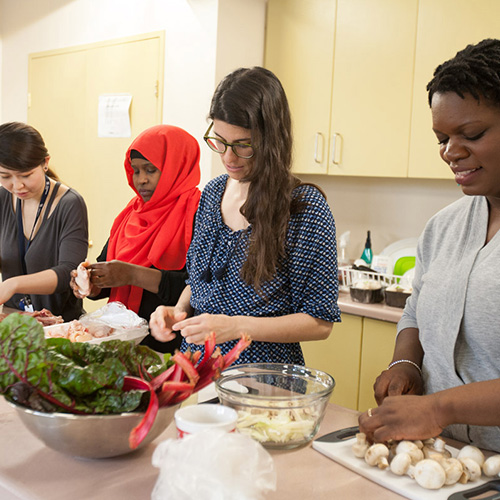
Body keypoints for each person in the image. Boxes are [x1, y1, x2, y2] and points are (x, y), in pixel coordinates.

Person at [359, 38, 500, 453]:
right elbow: (417, 306)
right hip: (448, 458)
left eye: (471, 134)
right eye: (441, 138)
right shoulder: (444, 226)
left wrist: (438, 408)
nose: (451, 152)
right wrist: (407, 363)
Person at [149, 66, 340, 365]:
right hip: (201, 370)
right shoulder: (212, 195)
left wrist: (237, 326)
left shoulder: (303, 207)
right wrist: (178, 310)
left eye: (243, 146)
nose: (228, 157)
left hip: (267, 383)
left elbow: (319, 322)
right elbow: (199, 280)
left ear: (272, 141)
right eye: (220, 142)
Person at [71, 124, 201, 353]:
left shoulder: (198, 213)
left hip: (173, 347)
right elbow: (109, 271)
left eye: (150, 170)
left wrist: (132, 274)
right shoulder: (130, 214)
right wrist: (91, 284)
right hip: (124, 342)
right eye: (136, 170)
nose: (140, 180)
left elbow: (196, 286)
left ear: (176, 166)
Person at [0, 122, 88, 321]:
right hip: (15, 321)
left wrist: (12, 284)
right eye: (5, 176)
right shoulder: (3, 198)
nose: (17, 185)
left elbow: (68, 272)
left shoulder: (69, 203)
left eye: (26, 175)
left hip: (59, 324)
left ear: (45, 163)